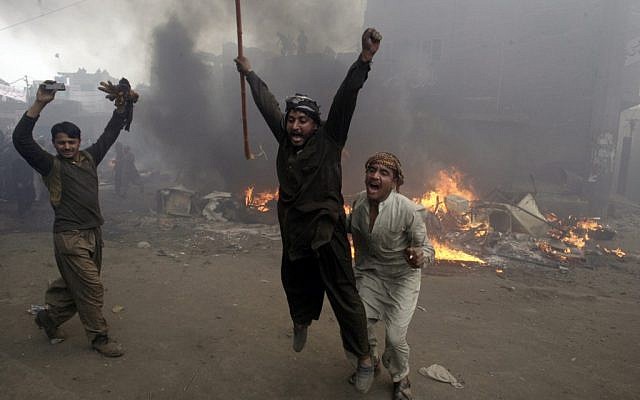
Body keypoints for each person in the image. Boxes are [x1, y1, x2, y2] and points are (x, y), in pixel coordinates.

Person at [234, 28, 382, 393]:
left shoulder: (331, 141)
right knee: (294, 284)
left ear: (316, 124)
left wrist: (363, 61)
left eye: (303, 120)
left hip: (327, 231)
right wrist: (250, 74)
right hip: (294, 230)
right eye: (292, 120)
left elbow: (346, 97)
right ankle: (301, 321)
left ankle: (363, 358)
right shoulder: (285, 140)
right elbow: (267, 103)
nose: (296, 125)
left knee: (345, 296)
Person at [12, 79, 136, 357]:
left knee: (74, 285)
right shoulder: (50, 165)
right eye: (61, 143)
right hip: (69, 237)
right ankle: (99, 338)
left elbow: (110, 133)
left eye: (71, 142)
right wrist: (40, 103)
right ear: (55, 144)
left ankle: (50, 317)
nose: (66, 147)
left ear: (79, 142)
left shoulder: (91, 158)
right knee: (91, 287)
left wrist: (123, 105)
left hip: (94, 233)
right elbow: (21, 140)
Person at [348, 152, 435, 400]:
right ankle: (371, 361)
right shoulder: (359, 203)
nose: (375, 176)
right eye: (371, 170)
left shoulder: (408, 210)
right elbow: (347, 225)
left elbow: (428, 249)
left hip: (401, 280)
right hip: (370, 275)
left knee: (396, 338)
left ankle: (401, 377)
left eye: (383, 173)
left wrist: (421, 256)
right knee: (358, 323)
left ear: (395, 181)